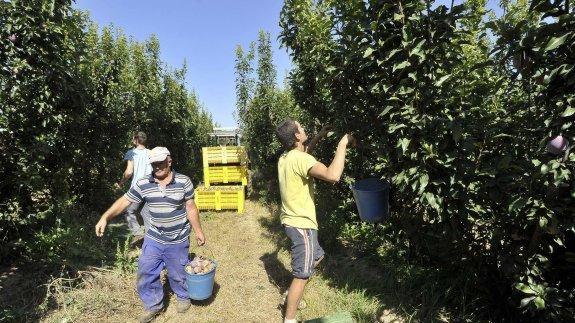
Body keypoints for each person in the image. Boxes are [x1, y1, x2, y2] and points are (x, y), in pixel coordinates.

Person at [95, 147, 206, 323]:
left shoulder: (184, 181)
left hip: (178, 238)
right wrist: (105, 217)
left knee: (178, 273)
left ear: (169, 161)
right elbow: (125, 200)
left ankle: (183, 296)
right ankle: (154, 305)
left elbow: (190, 207)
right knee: (146, 270)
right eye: (153, 163)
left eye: (160, 162)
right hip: (154, 237)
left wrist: (199, 231)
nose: (157, 166)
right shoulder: (143, 183)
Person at [275, 119, 354, 323]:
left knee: (316, 257)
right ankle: (289, 318)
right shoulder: (301, 160)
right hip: (302, 225)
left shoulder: (286, 157)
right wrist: (342, 144)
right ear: (297, 137)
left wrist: (318, 136)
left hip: (291, 221)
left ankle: (292, 293)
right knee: (302, 274)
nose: (304, 128)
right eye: (301, 127)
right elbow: (333, 175)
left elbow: (303, 153)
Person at [116, 131, 152, 241]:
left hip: (138, 187)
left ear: (136, 140)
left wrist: (121, 183)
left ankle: (138, 233)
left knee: (128, 210)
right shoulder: (151, 153)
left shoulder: (131, 152)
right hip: (151, 186)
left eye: (133, 139)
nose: (132, 141)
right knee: (145, 212)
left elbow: (129, 172)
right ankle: (151, 238)